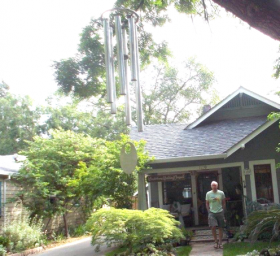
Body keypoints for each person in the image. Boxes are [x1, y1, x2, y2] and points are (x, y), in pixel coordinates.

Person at [205, 181, 226, 249]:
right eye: (213, 185)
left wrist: (223, 210)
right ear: (211, 186)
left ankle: (220, 242)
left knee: (220, 227)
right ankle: (215, 242)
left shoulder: (221, 193)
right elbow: (207, 203)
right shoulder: (208, 194)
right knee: (213, 226)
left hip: (220, 212)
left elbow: (224, 202)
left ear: (217, 186)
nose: (214, 187)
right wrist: (208, 210)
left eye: (215, 185)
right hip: (212, 212)